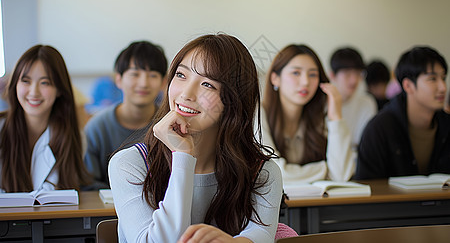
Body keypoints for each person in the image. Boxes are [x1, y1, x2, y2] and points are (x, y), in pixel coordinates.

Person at [108, 34, 283, 242]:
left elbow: (261, 235)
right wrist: (182, 156)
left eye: (208, 84)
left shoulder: (261, 172)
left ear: (234, 100)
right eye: (181, 75)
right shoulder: (130, 164)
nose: (186, 94)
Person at [0, 45, 91, 193]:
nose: (34, 92)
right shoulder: (1, 130)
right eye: (26, 81)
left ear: (60, 89)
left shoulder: (76, 138)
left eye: (45, 83)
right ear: (15, 85)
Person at [262, 44, 353, 184]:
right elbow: (274, 174)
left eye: (312, 74)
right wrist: (326, 170)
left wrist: (336, 117)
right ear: (275, 78)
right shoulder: (258, 114)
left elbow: (341, 175)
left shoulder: (317, 117)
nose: (305, 82)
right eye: (296, 73)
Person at [355, 46, 450, 179]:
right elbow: (367, 186)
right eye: (432, 79)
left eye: (443, 78)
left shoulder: (446, 124)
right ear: (408, 86)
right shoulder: (379, 129)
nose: (443, 87)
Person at [84, 41, 167, 189]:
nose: (143, 83)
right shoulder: (97, 127)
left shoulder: (168, 125)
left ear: (163, 82)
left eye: (152, 75)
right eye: (135, 74)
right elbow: (89, 185)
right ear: (118, 79)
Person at [329, 47, 377, 153]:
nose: (354, 80)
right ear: (332, 75)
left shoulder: (367, 102)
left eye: (358, 73)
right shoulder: (322, 103)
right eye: (347, 74)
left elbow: (365, 144)